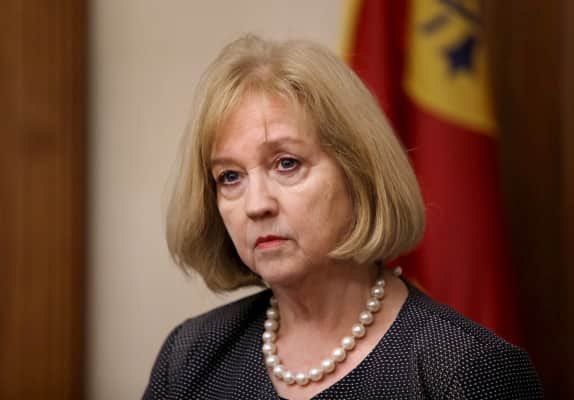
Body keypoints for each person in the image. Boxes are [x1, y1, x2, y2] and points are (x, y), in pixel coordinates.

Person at [143, 35, 542, 400]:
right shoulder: (190, 356)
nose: (256, 205)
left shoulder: (469, 369)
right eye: (230, 177)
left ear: (358, 174)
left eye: (286, 163)